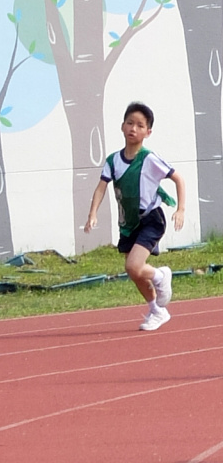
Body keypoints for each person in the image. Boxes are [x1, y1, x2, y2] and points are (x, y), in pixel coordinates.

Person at [84, 101, 184, 333]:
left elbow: (178, 178)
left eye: (140, 125)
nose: (133, 129)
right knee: (133, 271)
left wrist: (180, 209)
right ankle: (157, 310)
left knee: (134, 265)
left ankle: (161, 275)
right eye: (130, 123)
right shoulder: (113, 161)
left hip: (151, 219)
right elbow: (101, 188)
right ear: (122, 126)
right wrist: (92, 213)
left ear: (148, 132)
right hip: (129, 223)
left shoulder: (149, 159)